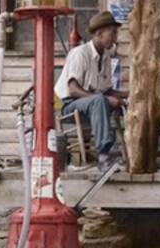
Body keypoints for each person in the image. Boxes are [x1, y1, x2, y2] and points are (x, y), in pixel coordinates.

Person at [55, 12, 129, 172]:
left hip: (92, 104)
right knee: (100, 100)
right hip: (68, 106)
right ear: (99, 34)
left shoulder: (107, 55)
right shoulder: (80, 53)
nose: (115, 38)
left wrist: (129, 94)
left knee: (130, 101)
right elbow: (73, 90)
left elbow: (107, 89)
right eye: (112, 33)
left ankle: (138, 153)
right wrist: (105, 99)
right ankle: (103, 157)